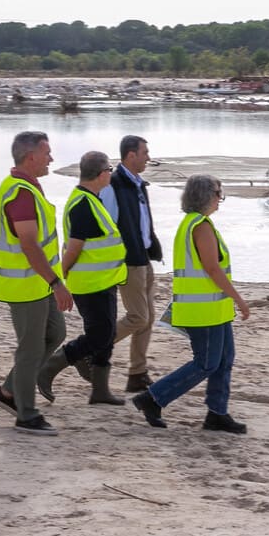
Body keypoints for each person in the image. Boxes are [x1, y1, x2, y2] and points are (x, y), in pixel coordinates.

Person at [131, 174, 250, 434]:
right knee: (206, 363)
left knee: (225, 358)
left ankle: (217, 413)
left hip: (214, 309)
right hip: (202, 311)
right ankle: (152, 398)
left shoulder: (197, 223)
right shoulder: (200, 226)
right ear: (206, 196)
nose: (221, 199)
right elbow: (212, 269)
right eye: (219, 193)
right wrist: (239, 299)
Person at [0, 130, 72, 436]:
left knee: (56, 333)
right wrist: (56, 282)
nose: (51, 158)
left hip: (37, 282)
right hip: (25, 285)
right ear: (31, 156)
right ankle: (26, 414)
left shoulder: (28, 188)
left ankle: (8, 391)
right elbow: (29, 245)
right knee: (30, 349)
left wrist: (52, 281)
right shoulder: (20, 193)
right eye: (47, 153)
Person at [36, 151, 129, 407]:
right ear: (101, 174)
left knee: (106, 335)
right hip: (88, 285)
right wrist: (58, 283)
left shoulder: (92, 199)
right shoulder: (83, 205)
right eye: (109, 170)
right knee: (99, 336)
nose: (111, 173)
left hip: (104, 281)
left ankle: (100, 390)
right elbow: (74, 249)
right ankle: (49, 367)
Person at [100, 134, 164, 392]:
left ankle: (137, 373)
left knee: (147, 319)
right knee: (138, 317)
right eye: (144, 152)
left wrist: (152, 245)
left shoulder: (138, 184)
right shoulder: (114, 184)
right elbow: (108, 224)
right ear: (130, 155)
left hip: (144, 258)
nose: (148, 157)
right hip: (128, 261)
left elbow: (142, 222)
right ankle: (92, 347)